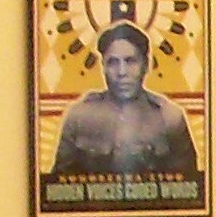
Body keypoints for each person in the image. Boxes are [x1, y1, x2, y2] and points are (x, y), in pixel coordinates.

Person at [48, 22, 200, 179]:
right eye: (113, 62)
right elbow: (59, 187)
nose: (121, 72)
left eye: (130, 61)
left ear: (146, 65)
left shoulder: (170, 117)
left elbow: (188, 187)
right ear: (103, 67)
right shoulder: (80, 116)